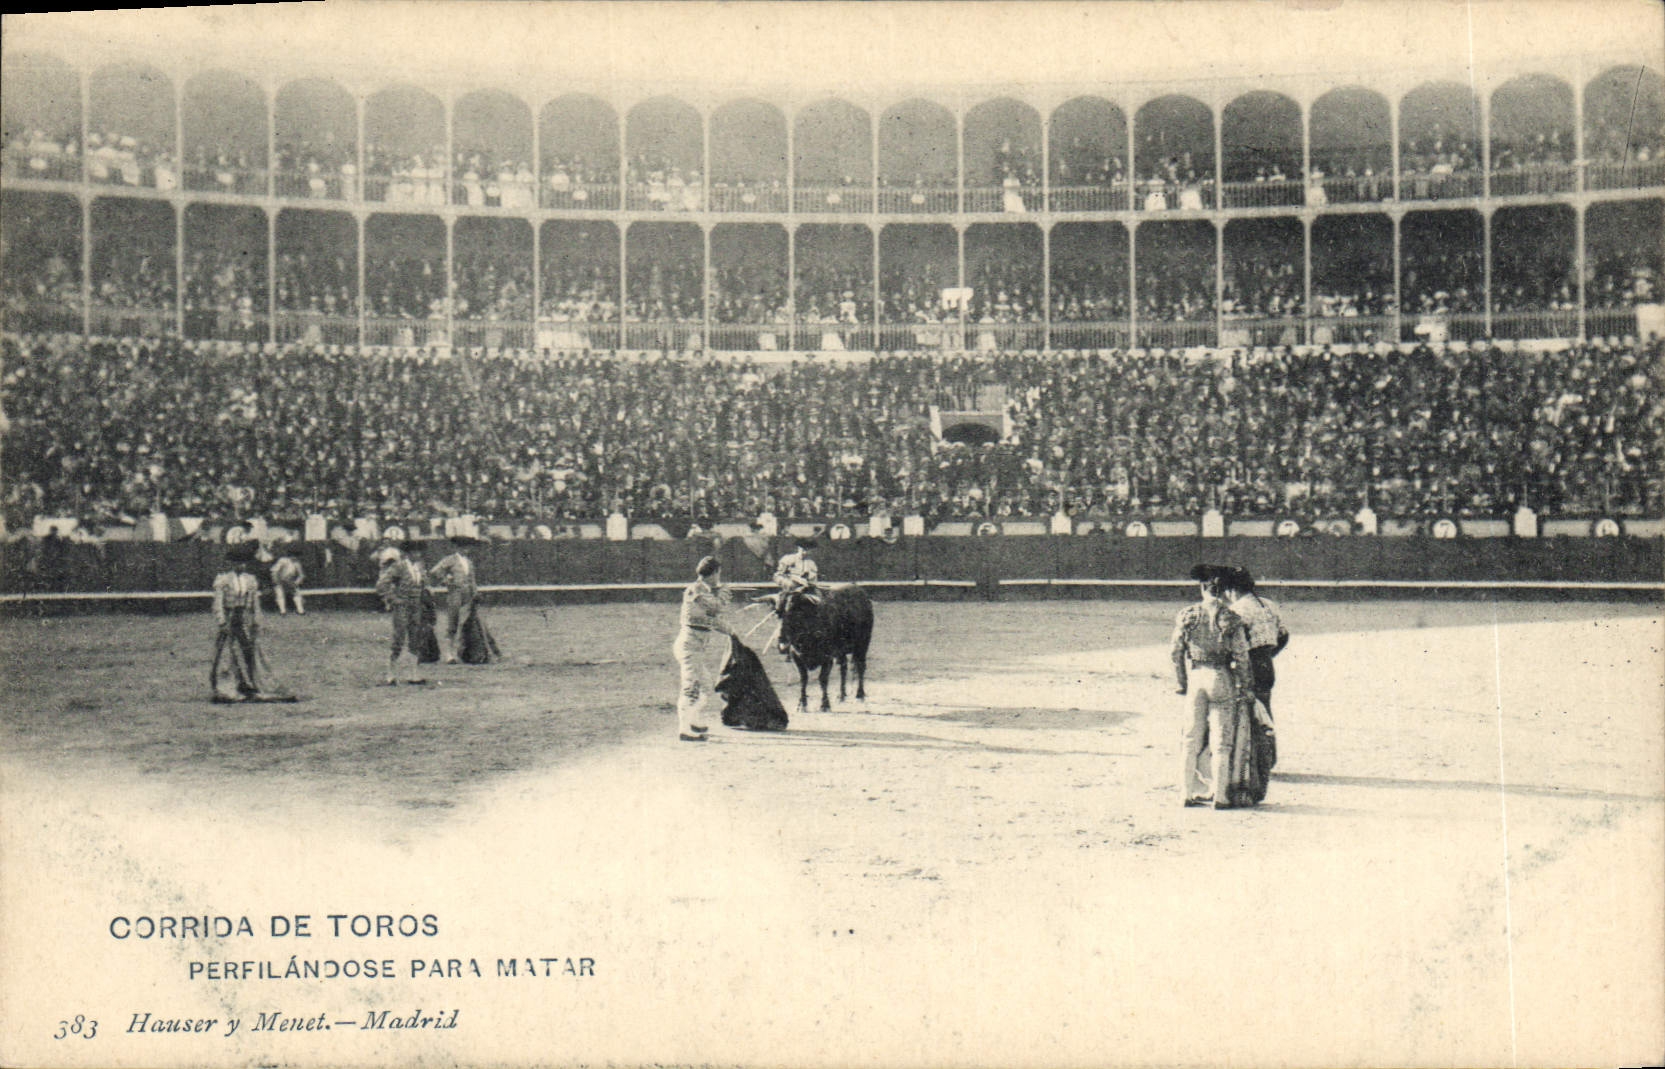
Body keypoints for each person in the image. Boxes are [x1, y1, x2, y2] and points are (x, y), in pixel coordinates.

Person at [1169, 564, 1262, 808]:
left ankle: (1185, 793)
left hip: (1197, 677)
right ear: (1222, 591)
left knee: (1190, 738)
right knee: (1222, 742)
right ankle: (1220, 795)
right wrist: (1246, 687)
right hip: (1221, 677)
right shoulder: (1231, 618)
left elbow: (1176, 652)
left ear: (1203, 588)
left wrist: (1182, 682)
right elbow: (1242, 657)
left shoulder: (1188, 615)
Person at [673, 556, 737, 742]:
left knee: (707, 687)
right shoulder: (696, 590)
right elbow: (715, 609)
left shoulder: (703, 590)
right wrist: (723, 596)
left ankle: (692, 721)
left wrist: (731, 632)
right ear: (715, 573)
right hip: (689, 646)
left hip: (695, 646)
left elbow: (712, 619)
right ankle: (684, 730)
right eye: (719, 573)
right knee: (690, 687)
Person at [211, 542, 264, 700]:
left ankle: (247, 683)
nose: (242, 565)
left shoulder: (250, 580)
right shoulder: (223, 580)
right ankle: (226, 686)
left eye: (244, 562)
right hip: (230, 618)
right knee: (227, 652)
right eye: (238, 562)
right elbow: (218, 603)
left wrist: (256, 620)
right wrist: (222, 621)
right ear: (231, 563)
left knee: (248, 650)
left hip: (244, 618)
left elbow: (255, 603)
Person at [374, 540, 428, 685]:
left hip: (416, 606)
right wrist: (393, 599)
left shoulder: (419, 567)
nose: (417, 554)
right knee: (399, 639)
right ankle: (390, 674)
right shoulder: (399, 566)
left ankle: (414, 674)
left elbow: (423, 585)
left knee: (415, 639)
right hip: (402, 606)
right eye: (414, 551)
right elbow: (381, 584)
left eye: (419, 551)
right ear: (407, 553)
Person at [427, 537, 478, 664]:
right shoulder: (450, 559)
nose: (466, 549)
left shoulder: (469, 562)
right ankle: (448, 654)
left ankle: (463, 653)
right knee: (453, 623)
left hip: (468, 595)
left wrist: (475, 593)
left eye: (467, 547)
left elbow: (472, 580)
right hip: (455, 593)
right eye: (463, 547)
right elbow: (435, 571)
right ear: (457, 547)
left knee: (467, 623)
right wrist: (446, 580)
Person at [768, 535, 820, 653]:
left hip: (806, 592)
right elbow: (777, 576)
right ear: (798, 548)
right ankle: (783, 639)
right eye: (804, 549)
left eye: (809, 550)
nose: (806, 552)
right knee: (786, 611)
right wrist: (789, 583)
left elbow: (814, 582)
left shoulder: (811, 564)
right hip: (790, 592)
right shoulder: (788, 559)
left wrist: (808, 583)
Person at [271, 548, 305, 615]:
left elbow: (301, 575)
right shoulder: (282, 560)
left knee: (297, 593)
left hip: (290, 581)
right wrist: (275, 580)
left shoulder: (297, 563)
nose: (295, 557)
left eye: (296, 556)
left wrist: (296, 583)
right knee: (279, 594)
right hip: (279, 580)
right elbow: (274, 571)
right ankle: (282, 611)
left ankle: (300, 610)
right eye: (293, 555)